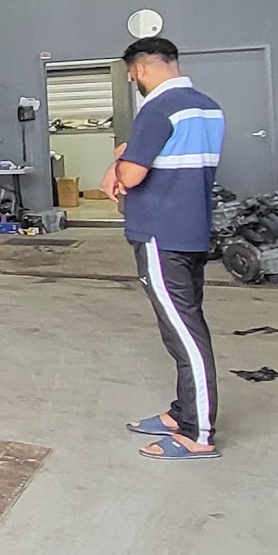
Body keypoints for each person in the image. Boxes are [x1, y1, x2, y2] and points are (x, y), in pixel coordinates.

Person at [101, 37, 226, 462]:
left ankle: (197, 432)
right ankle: (182, 412)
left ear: (139, 69)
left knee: (184, 333)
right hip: (191, 232)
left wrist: (119, 156)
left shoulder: (157, 108)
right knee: (185, 323)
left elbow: (132, 176)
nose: (133, 80)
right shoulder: (207, 106)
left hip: (160, 235)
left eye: (131, 74)